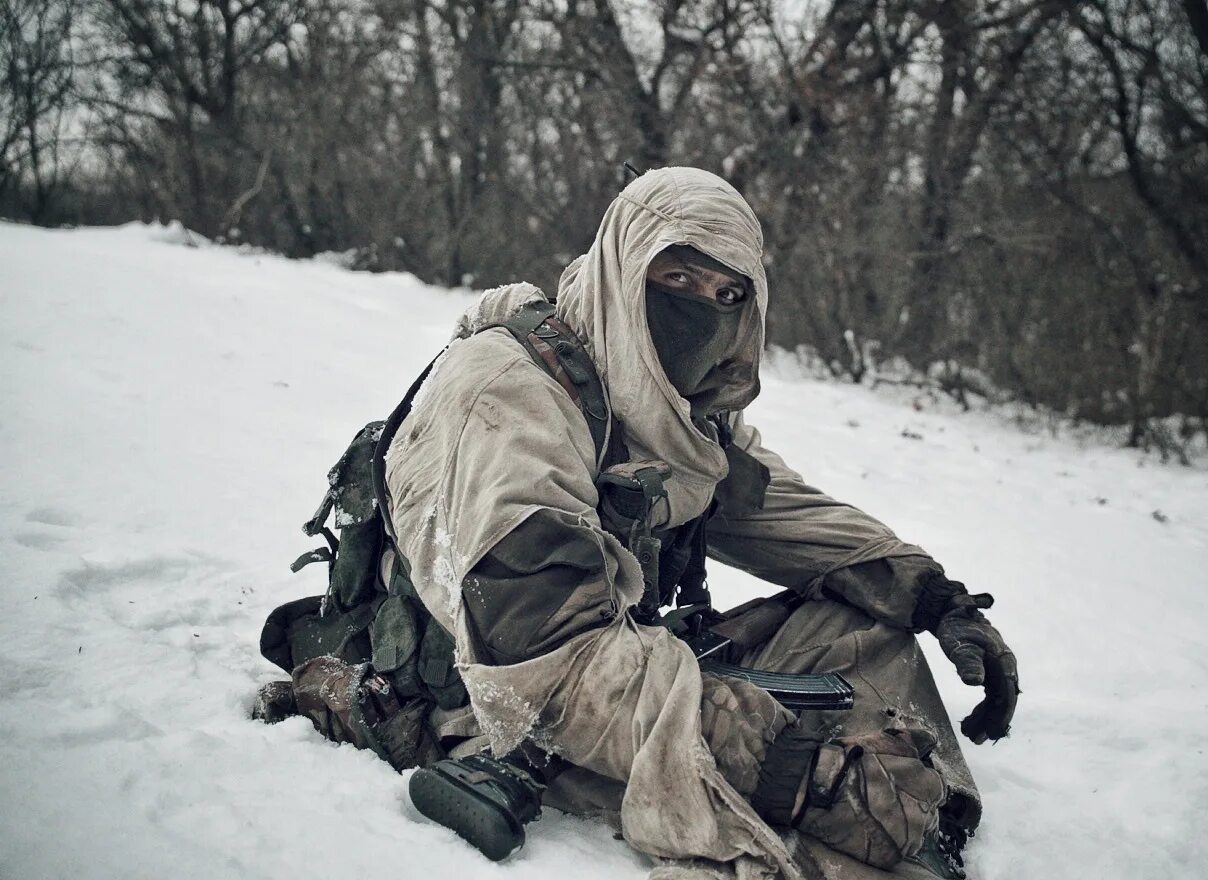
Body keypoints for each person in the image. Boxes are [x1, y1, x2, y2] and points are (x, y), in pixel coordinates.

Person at [262, 167, 1018, 880]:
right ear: (623, 269)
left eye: (726, 294)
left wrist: (932, 596)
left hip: (616, 656)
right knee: (789, 814)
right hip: (490, 702)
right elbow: (543, 652)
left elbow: (779, 509)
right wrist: (787, 762)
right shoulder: (507, 394)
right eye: (678, 278)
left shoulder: (672, 408)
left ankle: (924, 821)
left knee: (864, 632)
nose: (701, 307)